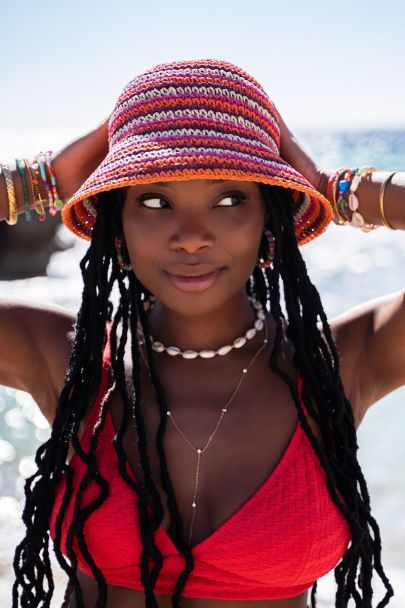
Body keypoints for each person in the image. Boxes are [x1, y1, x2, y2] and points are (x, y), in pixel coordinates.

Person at [1, 58, 404, 608]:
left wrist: (342, 190)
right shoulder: (59, 356)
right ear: (116, 222)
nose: (191, 237)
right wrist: (40, 182)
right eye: (154, 201)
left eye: (230, 199)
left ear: (272, 218)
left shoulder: (345, 363)